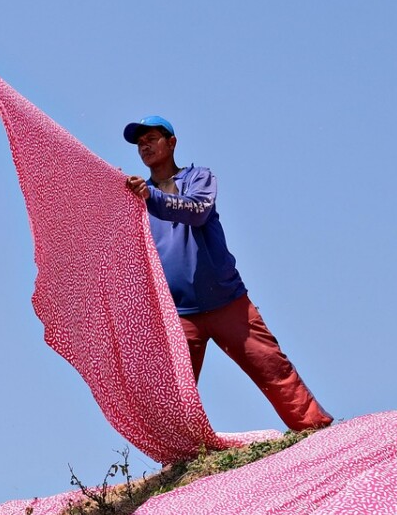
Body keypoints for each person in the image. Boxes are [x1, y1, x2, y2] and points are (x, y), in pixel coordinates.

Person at [123, 115, 332, 431]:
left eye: (151, 139)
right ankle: (181, 453)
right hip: (177, 312)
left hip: (227, 302)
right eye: (140, 143)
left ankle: (314, 429)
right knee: (172, 394)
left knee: (273, 367)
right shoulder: (136, 197)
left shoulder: (198, 178)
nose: (145, 147)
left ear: (172, 142)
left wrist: (152, 197)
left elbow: (197, 211)